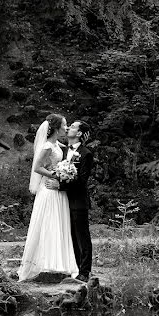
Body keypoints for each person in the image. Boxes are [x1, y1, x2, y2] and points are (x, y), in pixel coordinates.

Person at [17, 114, 78, 282]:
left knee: (58, 222)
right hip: (49, 188)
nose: (66, 128)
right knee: (49, 222)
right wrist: (55, 174)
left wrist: (64, 172)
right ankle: (45, 263)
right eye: (64, 125)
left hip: (57, 190)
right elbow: (37, 167)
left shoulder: (58, 145)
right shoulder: (47, 146)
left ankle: (59, 262)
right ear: (56, 128)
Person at [59, 119, 96, 281]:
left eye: (73, 127)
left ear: (79, 133)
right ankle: (73, 267)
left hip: (78, 200)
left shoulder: (86, 154)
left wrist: (59, 186)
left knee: (82, 236)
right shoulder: (62, 150)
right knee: (69, 235)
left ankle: (85, 272)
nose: (68, 128)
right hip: (62, 201)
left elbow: (82, 180)